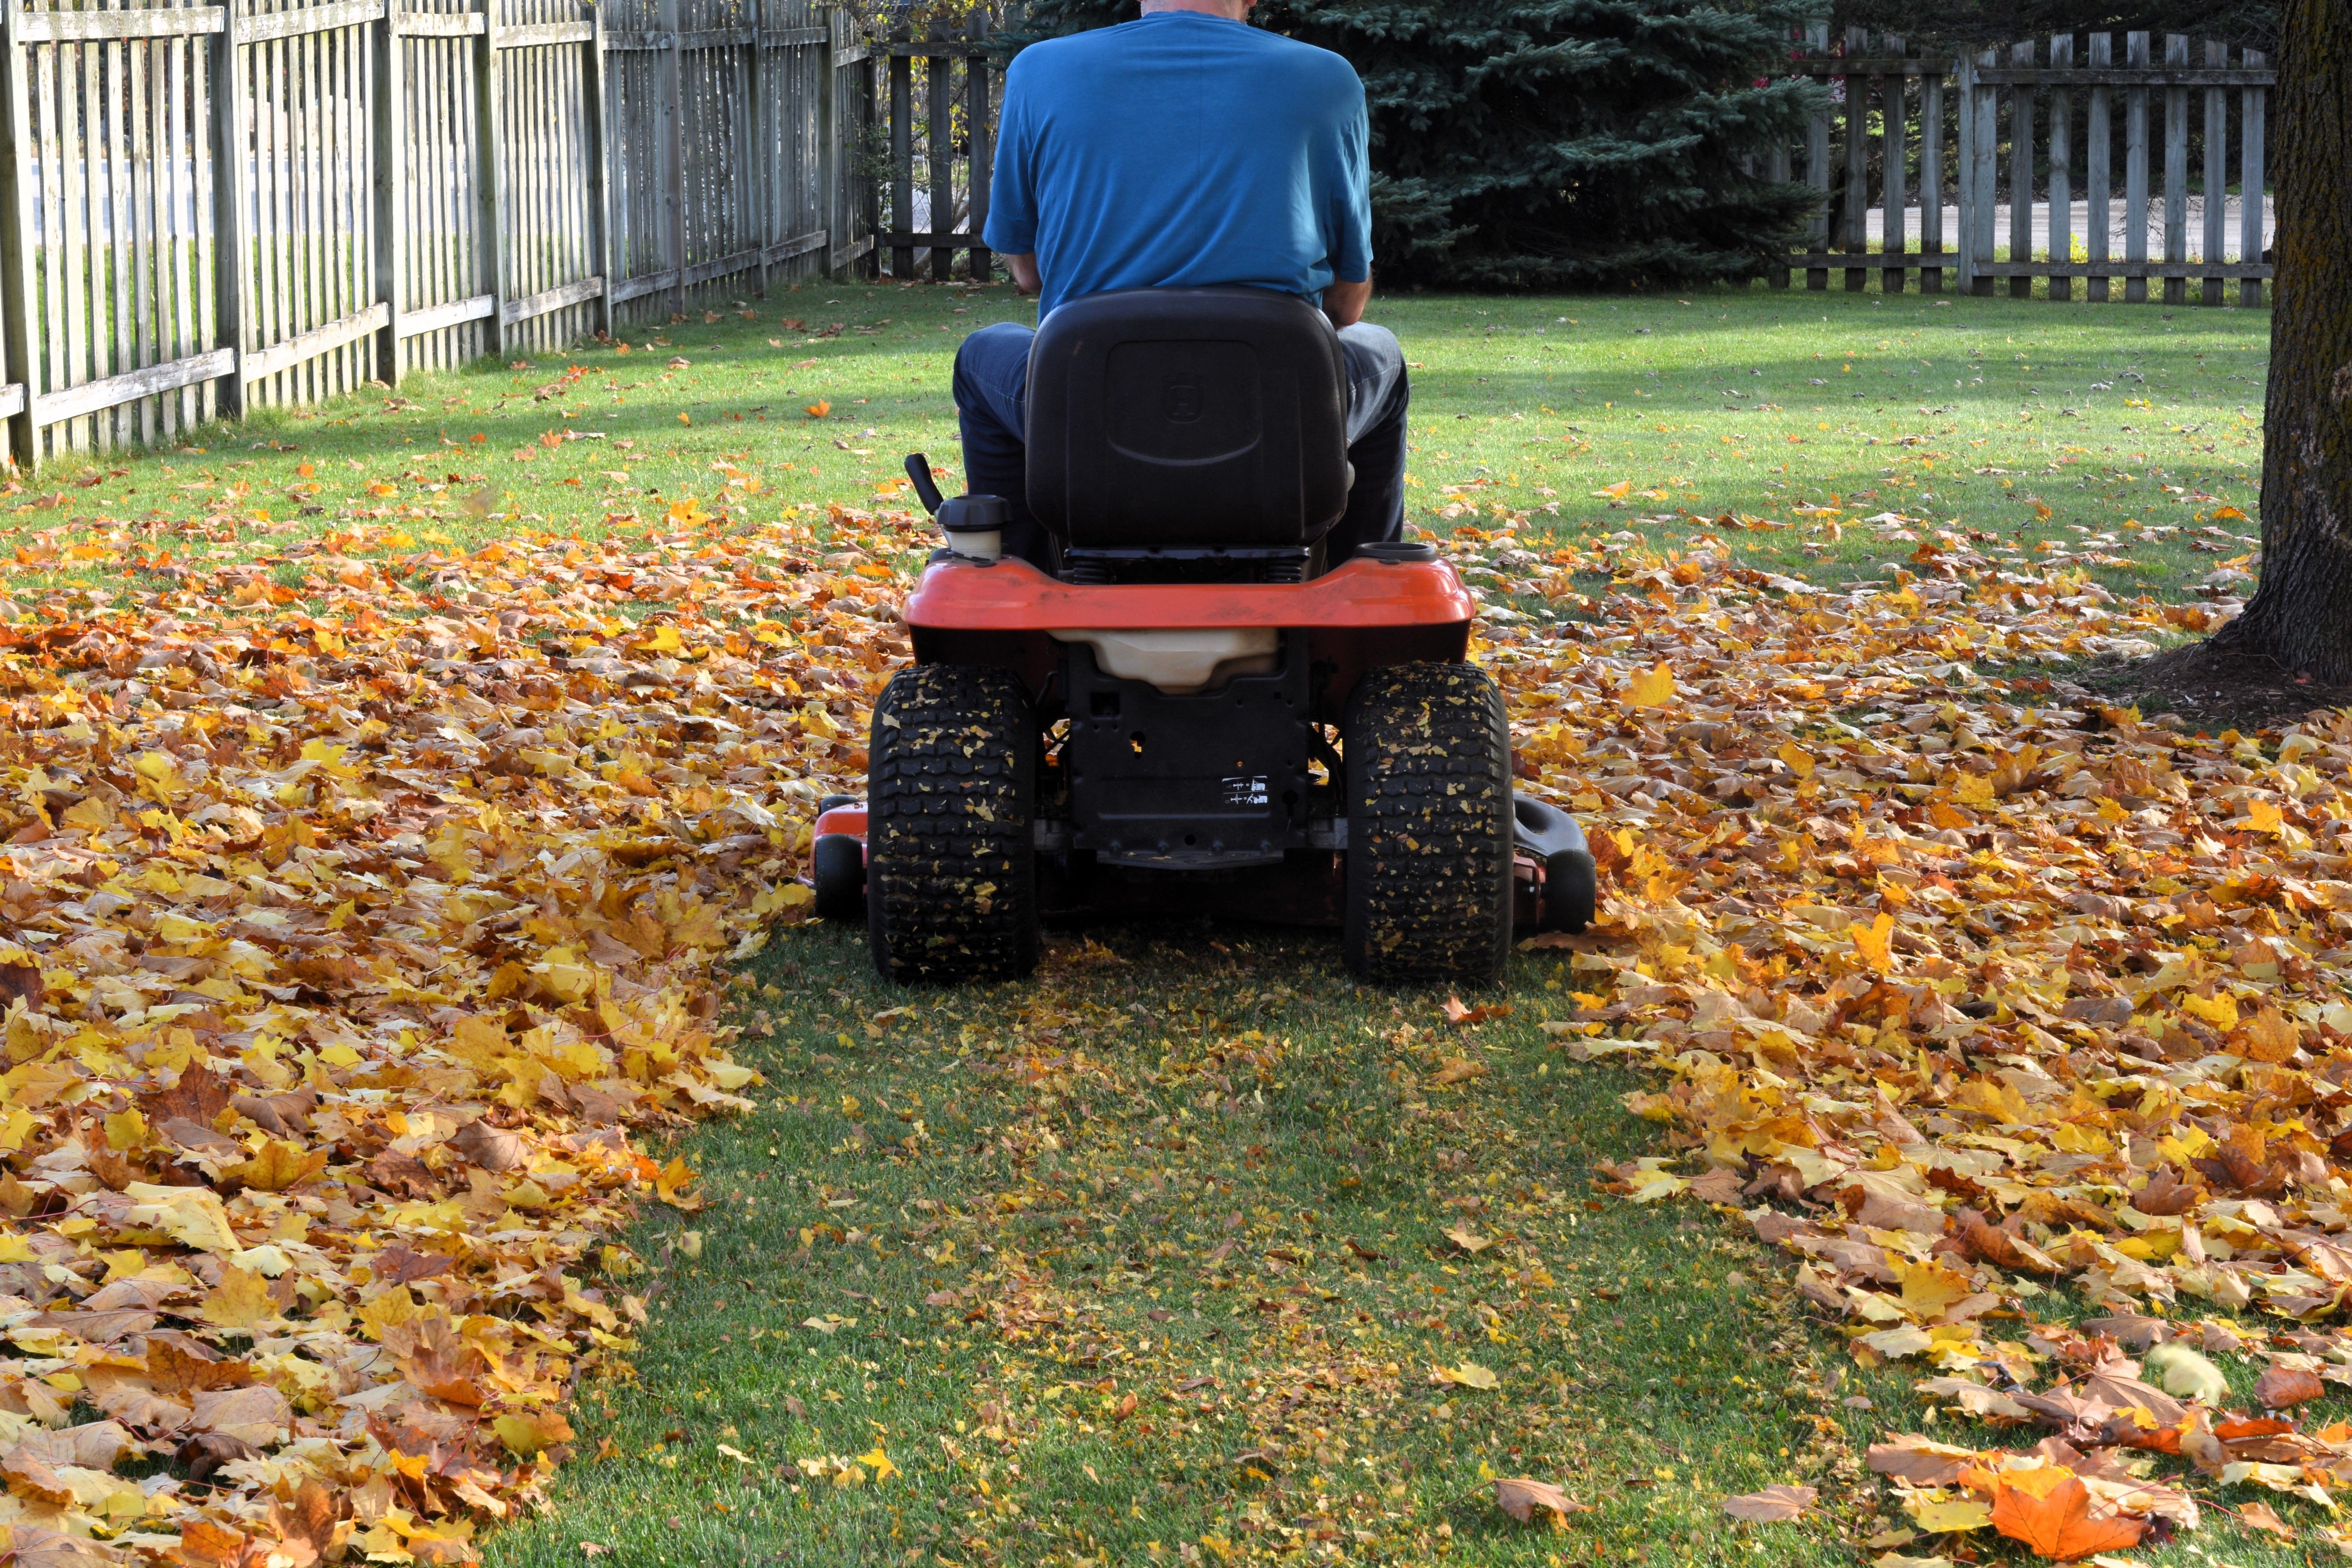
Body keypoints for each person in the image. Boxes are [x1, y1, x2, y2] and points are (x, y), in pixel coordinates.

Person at [953, 0, 1408, 571]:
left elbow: (1026, 272)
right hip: (1277, 412)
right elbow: (1346, 304)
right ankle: (1357, 594)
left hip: (1088, 408)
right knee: (1381, 354)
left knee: (982, 356)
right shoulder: (1326, 78)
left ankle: (1018, 589)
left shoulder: (1039, 70)